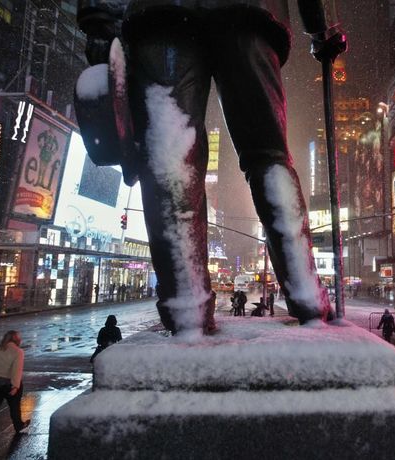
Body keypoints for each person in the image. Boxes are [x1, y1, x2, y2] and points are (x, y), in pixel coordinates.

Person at [75, 0, 345, 335]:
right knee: (267, 156)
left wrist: (99, 18)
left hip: (164, 15)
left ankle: (188, 311)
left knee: (171, 160)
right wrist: (323, 24)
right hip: (247, 12)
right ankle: (307, 297)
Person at [0, 330, 30, 453]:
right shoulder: (18, 351)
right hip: (8, 383)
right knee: (14, 407)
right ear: (16, 339)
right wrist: (15, 386)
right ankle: (19, 426)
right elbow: (16, 370)